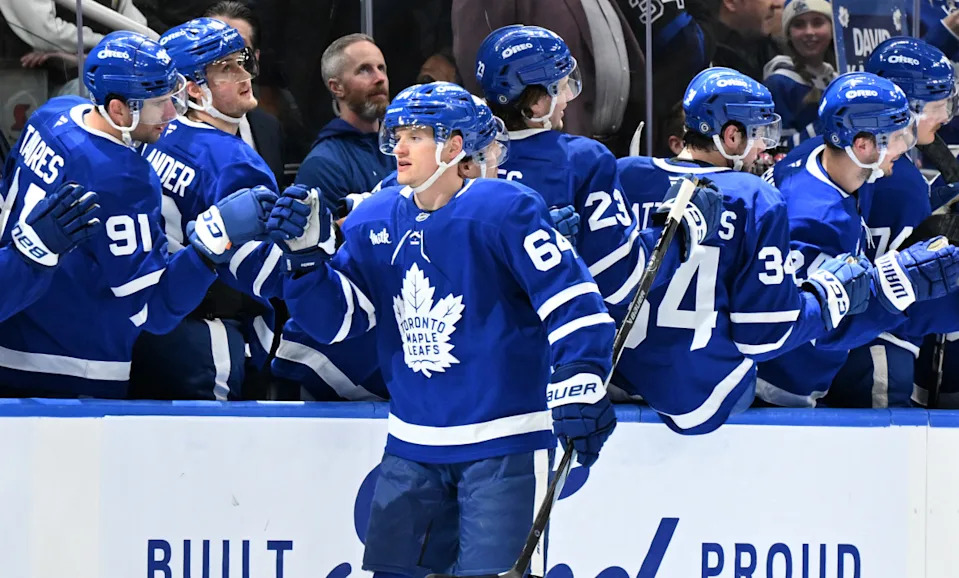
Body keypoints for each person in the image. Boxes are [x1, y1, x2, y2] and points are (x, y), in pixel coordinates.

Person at [268, 82, 616, 575]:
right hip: (412, 444)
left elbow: (572, 300)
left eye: (417, 135)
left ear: (454, 147)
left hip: (504, 443)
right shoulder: (374, 218)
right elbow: (341, 321)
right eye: (398, 134)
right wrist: (305, 263)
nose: (400, 147)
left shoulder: (507, 210)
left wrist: (579, 372)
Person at [0, 31, 274, 398]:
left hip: (14, 330)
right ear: (118, 109)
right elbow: (154, 311)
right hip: (74, 361)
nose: (172, 113)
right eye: (158, 102)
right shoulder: (124, 176)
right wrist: (208, 247)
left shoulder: (52, 114)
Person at [615, 67, 874, 434]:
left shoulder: (624, 174)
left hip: (616, 380)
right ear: (731, 135)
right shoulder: (754, 197)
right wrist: (828, 297)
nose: (765, 148)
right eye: (759, 134)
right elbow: (763, 333)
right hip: (708, 395)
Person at [476, 24, 723, 322]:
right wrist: (681, 228)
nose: (568, 97)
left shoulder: (456, 158)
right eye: (561, 85)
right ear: (538, 103)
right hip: (553, 350)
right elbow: (623, 281)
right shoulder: (581, 160)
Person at [271, 94, 509, 402]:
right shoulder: (395, 202)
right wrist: (309, 252)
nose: (495, 164)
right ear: (461, 153)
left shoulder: (492, 210)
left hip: (394, 375)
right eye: (489, 151)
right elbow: (346, 231)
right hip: (326, 367)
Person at [758, 71, 959, 407]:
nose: (903, 147)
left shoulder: (836, 165)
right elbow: (808, 326)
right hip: (779, 389)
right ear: (863, 145)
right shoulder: (816, 220)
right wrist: (896, 289)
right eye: (896, 136)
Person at [131, 18, 281, 401]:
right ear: (194, 89)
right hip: (205, 335)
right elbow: (262, 273)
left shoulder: (159, 137)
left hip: (147, 324)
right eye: (226, 69)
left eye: (241, 61)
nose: (244, 74)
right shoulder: (234, 162)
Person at [828, 37, 958, 408]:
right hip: (876, 349)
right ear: (908, 106)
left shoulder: (833, 152)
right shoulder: (896, 180)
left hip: (840, 343)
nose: (946, 116)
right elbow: (907, 290)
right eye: (937, 104)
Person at [294, 33, 394, 201]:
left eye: (381, 68)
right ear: (336, 87)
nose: (380, 78)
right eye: (364, 70)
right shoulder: (323, 164)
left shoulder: (402, 148)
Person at [204, 0, 286, 187]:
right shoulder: (170, 132)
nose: (233, 63)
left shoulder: (269, 129)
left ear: (254, 60)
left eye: (241, 53)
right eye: (218, 50)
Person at [763, 0, 837, 149]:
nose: (809, 32)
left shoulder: (836, 80)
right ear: (789, 33)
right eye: (799, 24)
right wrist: (828, 125)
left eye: (817, 22)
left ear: (832, 29)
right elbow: (776, 149)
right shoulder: (779, 83)